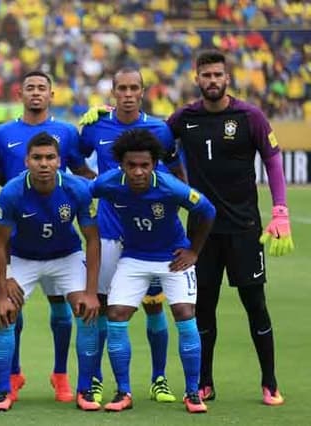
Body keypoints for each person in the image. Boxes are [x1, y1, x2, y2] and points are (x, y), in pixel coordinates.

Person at [166, 49, 293, 405]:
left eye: (217, 75)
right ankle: (205, 382)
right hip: (202, 232)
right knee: (203, 307)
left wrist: (280, 210)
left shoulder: (249, 116)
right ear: (196, 79)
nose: (212, 81)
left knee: (256, 304)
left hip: (244, 228)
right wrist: (110, 117)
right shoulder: (184, 118)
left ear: (227, 78)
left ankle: (269, 381)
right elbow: (152, 139)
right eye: (205, 75)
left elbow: (272, 160)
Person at [0, 70, 95, 403]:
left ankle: (61, 375)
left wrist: (110, 183)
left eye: (41, 88)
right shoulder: (2, 133)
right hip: (21, 242)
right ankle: (12, 376)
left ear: (51, 94)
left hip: (61, 243)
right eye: (29, 87)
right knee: (8, 308)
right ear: (20, 93)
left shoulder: (66, 132)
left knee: (64, 307)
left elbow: (80, 170)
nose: (35, 93)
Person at [88, 128, 216, 414]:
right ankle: (123, 392)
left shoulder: (171, 186)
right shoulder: (108, 183)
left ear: (154, 164)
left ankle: (193, 393)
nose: (138, 172)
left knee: (185, 314)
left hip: (172, 257)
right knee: (116, 315)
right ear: (121, 164)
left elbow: (207, 210)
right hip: (133, 257)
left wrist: (193, 251)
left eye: (145, 165)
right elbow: (80, 194)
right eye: (131, 165)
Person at [78, 67, 186, 403]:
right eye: (121, 88)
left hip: (150, 239)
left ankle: (159, 379)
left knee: (155, 308)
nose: (127, 93)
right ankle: (94, 379)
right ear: (112, 92)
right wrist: (95, 185)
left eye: (133, 88)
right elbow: (75, 161)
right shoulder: (95, 126)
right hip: (110, 233)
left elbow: (177, 174)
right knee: (105, 308)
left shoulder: (159, 129)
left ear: (143, 91)